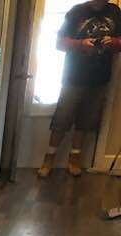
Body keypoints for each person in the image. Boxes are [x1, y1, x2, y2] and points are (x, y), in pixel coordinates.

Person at [38, 0, 121, 179]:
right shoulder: (77, 11)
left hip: (100, 78)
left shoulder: (115, 12)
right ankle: (49, 159)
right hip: (73, 77)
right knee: (61, 119)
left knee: (85, 121)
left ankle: (74, 159)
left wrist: (113, 42)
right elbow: (59, 43)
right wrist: (81, 44)